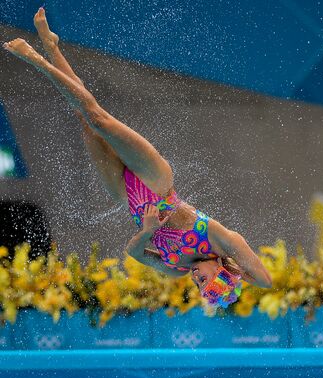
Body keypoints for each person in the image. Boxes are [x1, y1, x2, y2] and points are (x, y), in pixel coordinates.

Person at [3, 8, 272, 308]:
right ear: (220, 271)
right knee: (98, 119)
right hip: (155, 181)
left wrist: (148, 232)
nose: (197, 278)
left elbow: (134, 252)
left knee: (83, 117)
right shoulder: (219, 238)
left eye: (198, 285)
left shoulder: (175, 268)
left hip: (127, 198)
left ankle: (51, 45)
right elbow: (264, 280)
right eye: (206, 280)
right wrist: (235, 274)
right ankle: (35, 59)